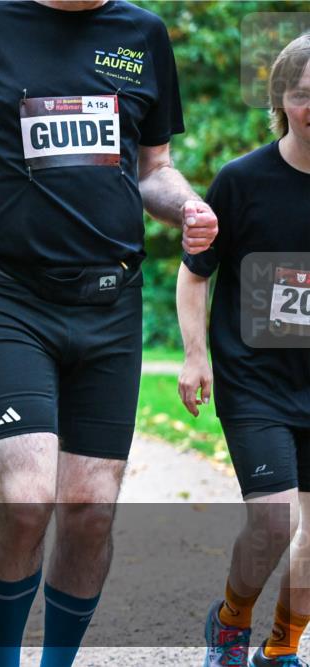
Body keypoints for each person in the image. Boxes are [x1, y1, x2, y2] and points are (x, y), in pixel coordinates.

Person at [0, 1, 217, 665]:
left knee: (91, 508)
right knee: (26, 496)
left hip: (111, 300)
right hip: (10, 294)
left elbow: (153, 168)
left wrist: (187, 205)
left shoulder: (142, 33)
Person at [177, 34, 310, 667]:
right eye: (304, 95)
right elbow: (194, 274)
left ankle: (282, 647)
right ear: (280, 101)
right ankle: (230, 622)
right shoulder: (241, 181)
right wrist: (195, 355)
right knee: (275, 521)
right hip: (256, 380)